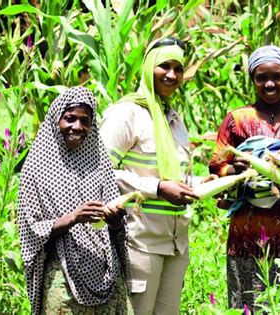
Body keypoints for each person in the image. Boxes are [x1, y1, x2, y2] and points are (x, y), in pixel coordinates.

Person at [209, 45, 280, 310]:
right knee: (252, 303)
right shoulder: (237, 119)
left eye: (277, 76)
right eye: (261, 77)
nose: (270, 83)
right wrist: (240, 171)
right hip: (248, 232)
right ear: (252, 79)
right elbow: (217, 166)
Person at [99, 37, 200, 315]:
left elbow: (178, 178)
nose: (171, 74)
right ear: (148, 67)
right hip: (139, 241)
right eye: (163, 66)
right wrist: (156, 187)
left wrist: (218, 184)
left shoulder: (173, 118)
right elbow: (99, 170)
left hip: (175, 242)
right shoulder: (126, 114)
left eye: (178, 68)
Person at [17, 87, 130, 314]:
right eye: (70, 119)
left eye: (85, 121)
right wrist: (73, 218)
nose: (77, 127)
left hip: (106, 272)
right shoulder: (37, 167)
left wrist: (116, 220)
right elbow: (30, 230)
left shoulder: (99, 163)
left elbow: (117, 226)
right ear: (56, 119)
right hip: (62, 276)